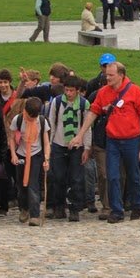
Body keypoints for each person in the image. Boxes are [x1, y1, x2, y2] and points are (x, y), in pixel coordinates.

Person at [69, 62, 140, 224]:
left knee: (133, 175)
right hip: (113, 140)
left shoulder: (134, 91)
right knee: (112, 176)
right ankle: (116, 210)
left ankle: (137, 205)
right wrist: (80, 135)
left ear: (121, 75)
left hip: (131, 139)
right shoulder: (103, 92)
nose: (107, 77)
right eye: (106, 74)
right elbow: (92, 114)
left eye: (111, 75)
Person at [47, 75, 91, 221]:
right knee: (58, 177)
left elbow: (86, 127)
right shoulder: (57, 102)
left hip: (77, 146)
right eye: (67, 90)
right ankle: (58, 206)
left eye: (72, 91)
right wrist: (50, 143)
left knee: (76, 178)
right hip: (59, 143)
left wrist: (86, 147)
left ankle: (74, 208)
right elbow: (52, 123)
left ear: (78, 91)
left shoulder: (84, 104)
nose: (69, 93)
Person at [8, 97, 51, 226]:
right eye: (28, 115)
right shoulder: (18, 119)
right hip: (21, 154)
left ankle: (35, 215)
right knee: (21, 185)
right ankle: (24, 208)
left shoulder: (42, 122)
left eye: (33, 117)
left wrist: (46, 158)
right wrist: (13, 154)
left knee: (33, 185)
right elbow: (11, 137)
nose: (30, 119)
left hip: (35, 155)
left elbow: (46, 142)